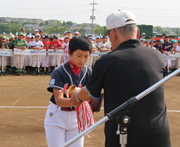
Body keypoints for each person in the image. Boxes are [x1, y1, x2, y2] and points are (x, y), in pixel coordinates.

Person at [70, 10, 171, 147]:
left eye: (110, 35)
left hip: (124, 136)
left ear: (114, 33)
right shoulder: (157, 56)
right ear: (137, 32)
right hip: (158, 135)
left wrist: (76, 96)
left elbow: (89, 94)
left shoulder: (107, 61)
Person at [44, 35, 92, 147]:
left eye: (86, 56)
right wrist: (79, 98)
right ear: (69, 53)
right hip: (57, 117)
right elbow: (59, 100)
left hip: (77, 118)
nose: (82, 60)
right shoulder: (59, 71)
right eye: (79, 55)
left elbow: (92, 96)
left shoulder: (89, 72)